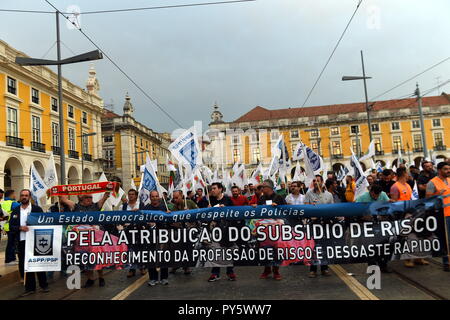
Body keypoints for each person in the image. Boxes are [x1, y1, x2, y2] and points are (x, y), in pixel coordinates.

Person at [59, 192, 111, 287]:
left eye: (91, 197)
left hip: (95, 238)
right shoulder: (76, 207)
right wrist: (63, 191)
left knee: (97, 258)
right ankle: (90, 279)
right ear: (82, 199)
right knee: (85, 259)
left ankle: (101, 277)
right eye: (87, 197)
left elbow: (105, 197)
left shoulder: (96, 206)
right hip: (81, 239)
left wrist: (108, 190)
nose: (90, 199)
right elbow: (64, 200)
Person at [8, 189, 49, 297]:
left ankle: (44, 285)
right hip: (22, 241)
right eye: (22, 195)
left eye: (26, 195)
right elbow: (11, 227)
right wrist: (20, 227)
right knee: (25, 264)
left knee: (38, 262)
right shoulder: (16, 211)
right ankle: (30, 288)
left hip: (37, 241)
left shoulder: (37, 209)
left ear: (30, 197)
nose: (24, 197)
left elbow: (44, 222)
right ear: (20, 197)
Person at [391, 167, 428, 268]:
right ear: (403, 174)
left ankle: (418, 257)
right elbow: (393, 203)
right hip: (402, 215)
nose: (409, 175)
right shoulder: (395, 186)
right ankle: (407, 259)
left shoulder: (407, 185)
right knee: (405, 237)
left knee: (417, 235)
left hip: (412, 214)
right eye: (407, 173)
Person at [356, 184, 391, 272]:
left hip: (380, 224)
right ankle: (372, 266)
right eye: (375, 195)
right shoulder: (363, 197)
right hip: (368, 224)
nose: (377, 197)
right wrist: (363, 216)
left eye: (378, 195)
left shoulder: (382, 195)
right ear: (371, 192)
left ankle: (383, 265)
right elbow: (355, 208)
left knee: (383, 245)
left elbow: (388, 204)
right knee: (370, 246)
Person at [257, 179, 287, 280]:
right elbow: (259, 211)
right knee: (265, 250)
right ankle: (267, 269)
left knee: (276, 250)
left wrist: (277, 207)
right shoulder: (261, 198)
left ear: (268, 188)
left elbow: (286, 210)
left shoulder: (279, 197)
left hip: (276, 229)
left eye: (263, 187)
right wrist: (255, 207)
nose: (261, 189)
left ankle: (276, 270)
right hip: (264, 229)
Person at [304, 175, 334, 278]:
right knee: (314, 247)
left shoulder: (329, 195)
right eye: (314, 181)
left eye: (318, 181)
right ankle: (313, 269)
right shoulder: (309, 193)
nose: (316, 182)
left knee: (325, 246)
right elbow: (305, 207)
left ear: (322, 182)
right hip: (314, 224)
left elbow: (332, 209)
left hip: (325, 223)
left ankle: (324, 268)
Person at [207, 182, 236, 282]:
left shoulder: (228, 200)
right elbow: (200, 211)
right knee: (216, 251)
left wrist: (226, 210)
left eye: (214, 188)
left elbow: (234, 212)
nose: (212, 190)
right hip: (215, 230)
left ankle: (230, 272)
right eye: (211, 189)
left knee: (228, 250)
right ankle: (215, 273)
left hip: (227, 229)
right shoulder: (210, 199)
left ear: (220, 189)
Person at [425, 162, 450, 271]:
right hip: (443, 216)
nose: (448, 171)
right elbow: (428, 200)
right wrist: (437, 194)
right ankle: (447, 262)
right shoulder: (432, 183)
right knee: (445, 240)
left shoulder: (449, 180)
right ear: (439, 170)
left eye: (449, 169)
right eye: (445, 169)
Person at [146, 190, 174, 285]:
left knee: (164, 256)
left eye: (156, 196)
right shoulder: (146, 208)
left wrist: (169, 214)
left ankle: (164, 277)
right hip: (150, 236)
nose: (154, 198)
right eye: (153, 196)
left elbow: (172, 220)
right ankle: (153, 278)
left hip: (163, 235)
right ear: (150, 198)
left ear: (159, 197)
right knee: (151, 257)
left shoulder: (164, 207)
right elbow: (142, 220)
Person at [122, 189, 147, 278]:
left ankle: (141, 267)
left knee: (140, 249)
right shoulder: (124, 206)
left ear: (136, 196)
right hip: (128, 230)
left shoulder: (141, 205)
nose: (131, 196)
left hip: (139, 229)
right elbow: (120, 217)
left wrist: (139, 212)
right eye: (129, 194)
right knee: (130, 249)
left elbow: (144, 217)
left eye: (133, 194)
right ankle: (131, 268)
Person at [1, 190, 20, 265]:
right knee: (11, 243)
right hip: (11, 226)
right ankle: (9, 259)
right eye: (14, 194)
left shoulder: (2, 203)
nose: (15, 196)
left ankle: (11, 259)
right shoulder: (13, 203)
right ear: (11, 195)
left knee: (10, 243)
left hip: (5, 225)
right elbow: (21, 207)